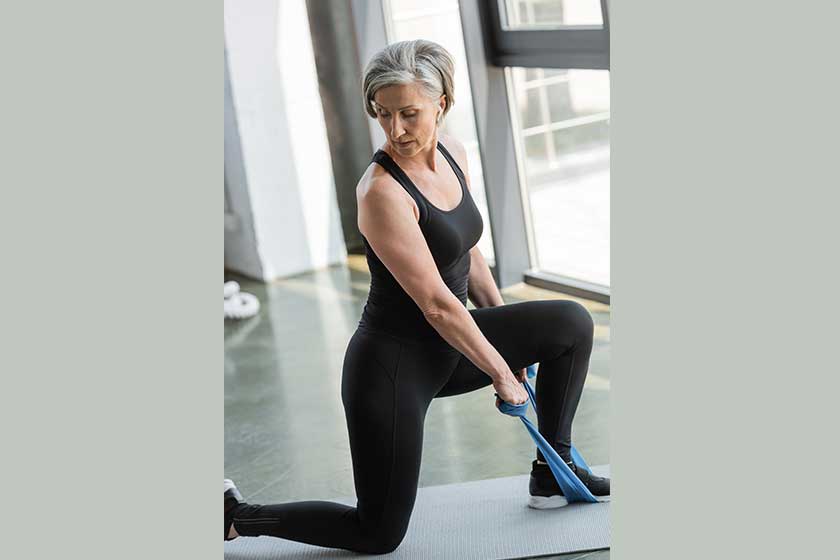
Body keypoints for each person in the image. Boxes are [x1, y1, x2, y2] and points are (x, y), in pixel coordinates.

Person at [224, 39, 609, 554]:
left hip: (450, 342)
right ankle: (234, 515)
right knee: (378, 533)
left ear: (441, 103)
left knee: (569, 323)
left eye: (409, 113)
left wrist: (506, 336)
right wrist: (500, 370)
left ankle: (552, 470)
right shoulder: (381, 192)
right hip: (395, 363)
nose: (396, 129)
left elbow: (467, 252)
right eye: (383, 114)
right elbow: (435, 302)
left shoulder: (454, 154)